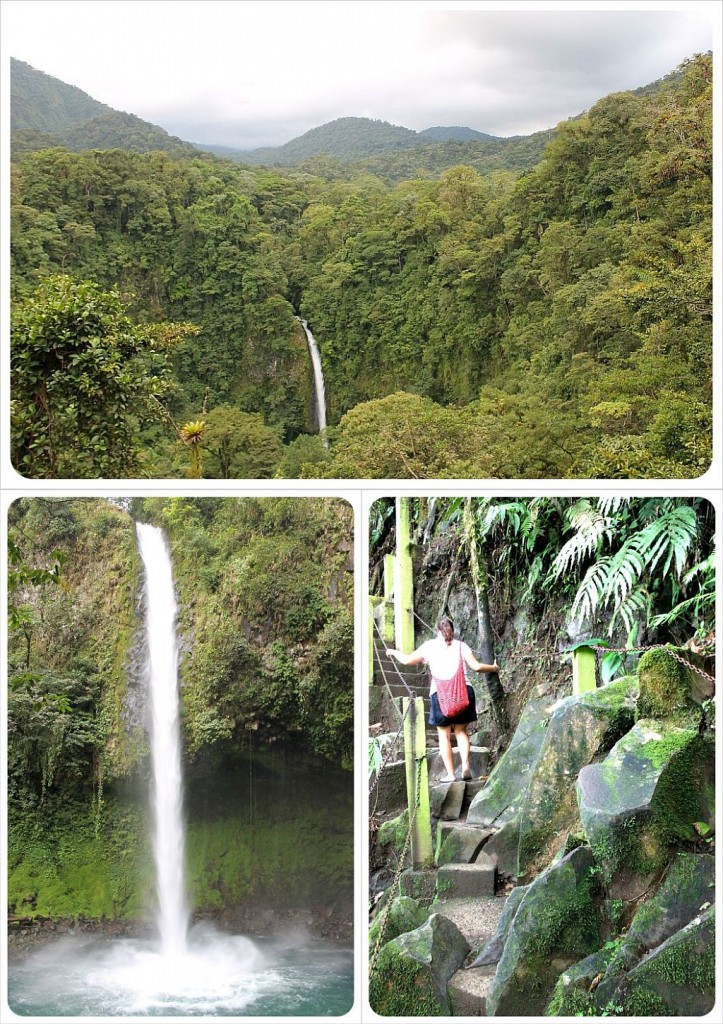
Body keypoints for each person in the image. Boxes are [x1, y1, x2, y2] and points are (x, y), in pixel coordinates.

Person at [387, 617, 499, 783]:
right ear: (452, 630)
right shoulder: (462, 646)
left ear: (437, 630)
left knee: (444, 736)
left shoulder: (429, 646)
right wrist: (494, 668)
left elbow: (407, 660)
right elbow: (476, 667)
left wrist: (393, 652)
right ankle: (466, 766)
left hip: (440, 695)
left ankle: (451, 774)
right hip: (464, 692)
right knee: (461, 732)